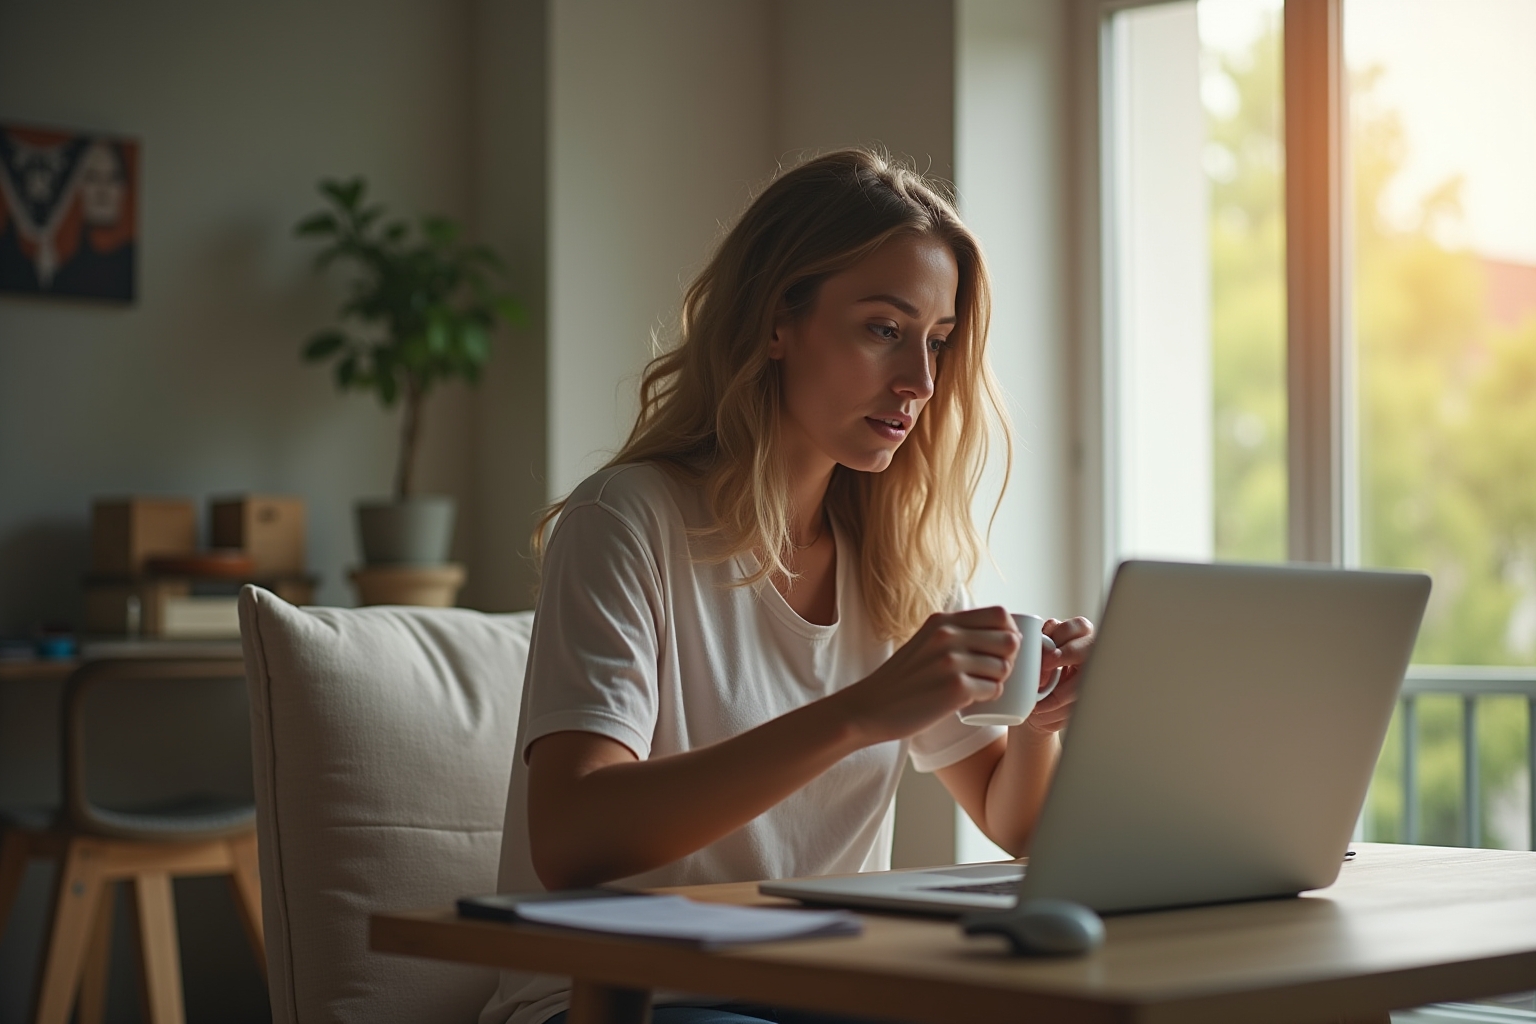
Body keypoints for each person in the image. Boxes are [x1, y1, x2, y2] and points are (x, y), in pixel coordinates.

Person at [481, 149, 1095, 1024]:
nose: (921, 382)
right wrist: (857, 714)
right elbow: (573, 840)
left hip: (822, 992)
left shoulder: (896, 554)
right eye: (884, 329)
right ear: (777, 320)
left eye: (939, 342)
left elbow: (1018, 822)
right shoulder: (626, 521)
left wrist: (1036, 725)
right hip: (620, 998)